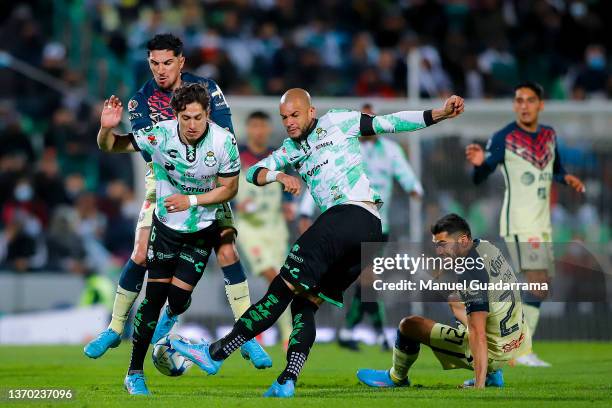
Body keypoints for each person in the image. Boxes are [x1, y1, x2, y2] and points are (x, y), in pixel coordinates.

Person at [171, 88, 464, 398]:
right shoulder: (291, 149)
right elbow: (253, 173)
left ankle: (215, 353)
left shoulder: (338, 122)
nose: (289, 122)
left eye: (295, 115)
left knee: (281, 289)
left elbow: (389, 123)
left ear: (311, 112)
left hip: (348, 215)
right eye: (284, 118)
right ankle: (287, 380)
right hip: (368, 231)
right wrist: (279, 177)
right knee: (304, 303)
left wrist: (439, 114)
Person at [84, 34, 269, 368]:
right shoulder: (141, 101)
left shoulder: (207, 89)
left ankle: (249, 338)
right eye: (154, 63)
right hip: (164, 182)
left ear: (181, 61)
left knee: (227, 250)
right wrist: (105, 132)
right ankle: (114, 328)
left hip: (210, 179)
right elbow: (124, 145)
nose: (160, 70)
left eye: (167, 62)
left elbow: (223, 136)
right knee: (140, 253)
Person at [97, 83, 251, 395]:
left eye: (198, 117)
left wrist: (191, 202)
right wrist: (105, 128)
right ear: (176, 116)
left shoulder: (224, 141)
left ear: (208, 114)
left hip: (201, 231)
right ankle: (134, 373)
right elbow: (111, 145)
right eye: (185, 118)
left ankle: (170, 319)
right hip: (166, 230)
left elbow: (230, 189)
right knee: (152, 300)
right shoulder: (160, 135)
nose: (192, 125)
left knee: (178, 300)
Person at [465, 81, 585, 367]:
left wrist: (566, 178)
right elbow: (480, 176)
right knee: (537, 283)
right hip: (520, 222)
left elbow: (555, 169)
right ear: (514, 105)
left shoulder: (549, 135)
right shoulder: (504, 137)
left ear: (540, 105)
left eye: (530, 100)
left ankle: (509, 343)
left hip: (542, 223)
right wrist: (480, 163)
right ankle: (518, 350)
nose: (524, 105)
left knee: (541, 287)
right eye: (519, 100)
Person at [299, 102, 424, 351]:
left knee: (366, 278)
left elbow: (407, 176)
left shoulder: (390, 150)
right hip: (347, 222)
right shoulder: (346, 144)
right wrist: (305, 210)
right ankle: (375, 334)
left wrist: (414, 189)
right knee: (366, 278)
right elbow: (321, 173)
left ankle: (354, 331)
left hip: (379, 224)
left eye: (371, 117)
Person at [357, 213, 531, 389]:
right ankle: (493, 371)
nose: (439, 251)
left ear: (463, 240)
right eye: (436, 245)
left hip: (494, 352)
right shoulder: (487, 247)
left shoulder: (470, 275)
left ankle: (396, 377)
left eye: (442, 244)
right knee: (456, 300)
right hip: (516, 338)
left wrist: (479, 388)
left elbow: (478, 334)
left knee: (409, 326)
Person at [234, 111, 294, 347]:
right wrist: (234, 204)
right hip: (249, 228)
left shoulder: (277, 157)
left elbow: (288, 186)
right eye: (254, 126)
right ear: (248, 129)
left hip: (276, 228)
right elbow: (223, 186)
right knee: (272, 275)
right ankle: (277, 330)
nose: (258, 131)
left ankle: (268, 330)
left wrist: (289, 205)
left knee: (282, 281)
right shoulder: (237, 156)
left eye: (262, 126)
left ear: (268, 129)